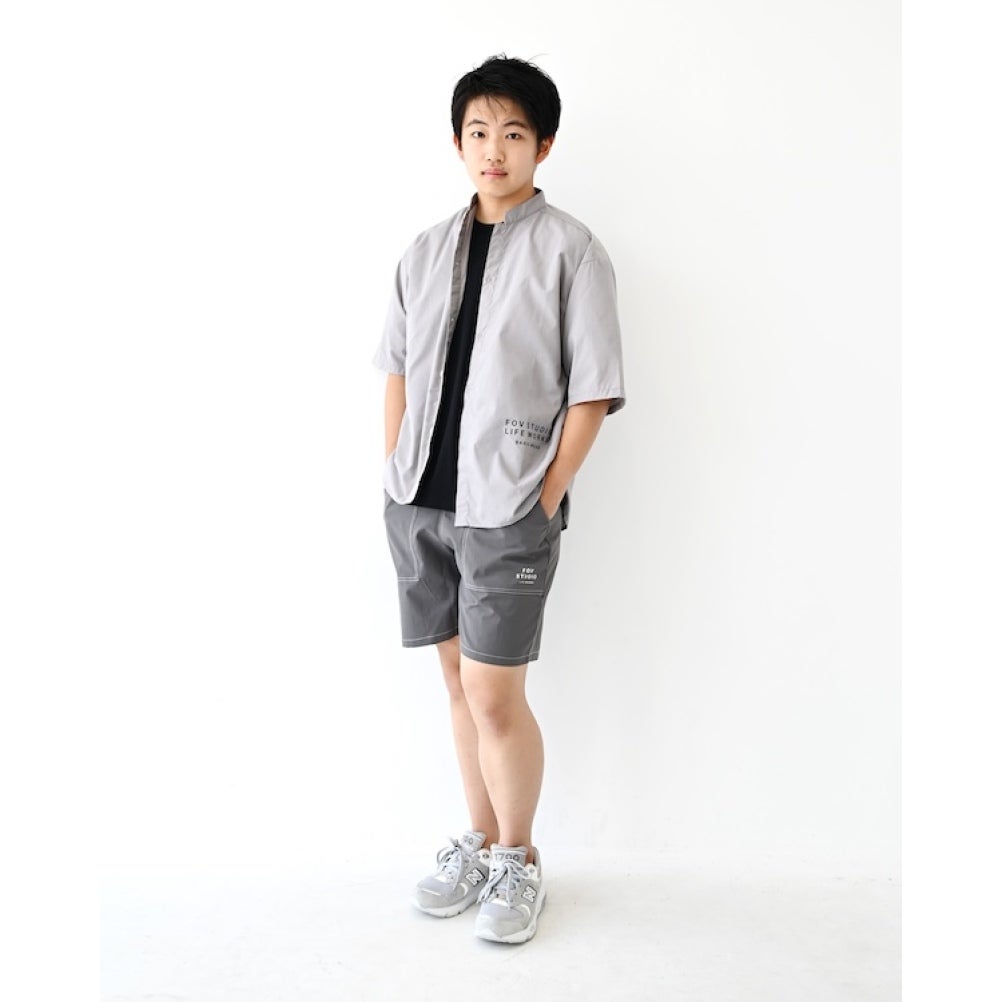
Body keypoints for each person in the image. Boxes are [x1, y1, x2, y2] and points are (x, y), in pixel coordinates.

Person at [373, 54, 626, 945]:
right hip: (422, 502)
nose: (494, 149)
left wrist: (546, 494)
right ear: (458, 143)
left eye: (513, 133)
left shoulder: (572, 250)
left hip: (507, 507)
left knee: (493, 692)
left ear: (542, 145)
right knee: (456, 683)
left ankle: (519, 856)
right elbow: (396, 369)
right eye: (478, 132)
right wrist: (395, 470)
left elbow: (592, 388)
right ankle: (479, 843)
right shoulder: (423, 250)